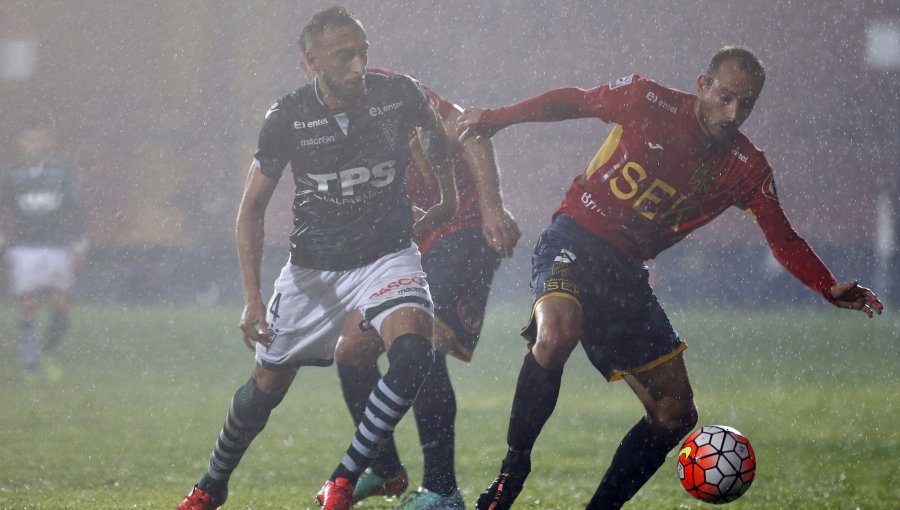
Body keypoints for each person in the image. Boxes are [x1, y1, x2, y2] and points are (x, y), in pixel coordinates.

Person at [457, 45, 884, 509]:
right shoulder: (646, 100)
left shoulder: (747, 169)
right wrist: (498, 117)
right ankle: (512, 472)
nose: (733, 112)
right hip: (576, 237)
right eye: (725, 96)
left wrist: (826, 284)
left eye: (746, 104)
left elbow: (783, 238)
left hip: (625, 275)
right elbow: (573, 100)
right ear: (702, 85)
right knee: (558, 330)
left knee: (675, 415)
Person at [177, 6, 458, 510]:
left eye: (363, 52)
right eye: (344, 55)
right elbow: (251, 211)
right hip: (313, 271)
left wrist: (448, 196)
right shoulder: (287, 116)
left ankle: (345, 477)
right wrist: (252, 299)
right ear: (311, 62)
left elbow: (436, 131)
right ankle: (211, 484)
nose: (359, 65)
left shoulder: (399, 94)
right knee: (265, 389)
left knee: (415, 353)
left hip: (387, 257)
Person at [333, 70, 520, 509]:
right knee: (351, 352)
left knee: (424, 347)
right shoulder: (312, 124)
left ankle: (441, 490)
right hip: (412, 241)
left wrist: (492, 206)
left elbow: (469, 131)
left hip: (464, 229)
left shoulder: (389, 91)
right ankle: (385, 470)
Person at [0, 125, 89, 382]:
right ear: (21, 143)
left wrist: (80, 245)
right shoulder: (11, 175)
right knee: (28, 304)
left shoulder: (61, 173)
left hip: (56, 246)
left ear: (49, 142)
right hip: (23, 247)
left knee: (61, 304)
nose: (34, 143)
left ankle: (48, 352)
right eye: (29, 138)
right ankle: (30, 364)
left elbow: (75, 208)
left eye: (39, 138)